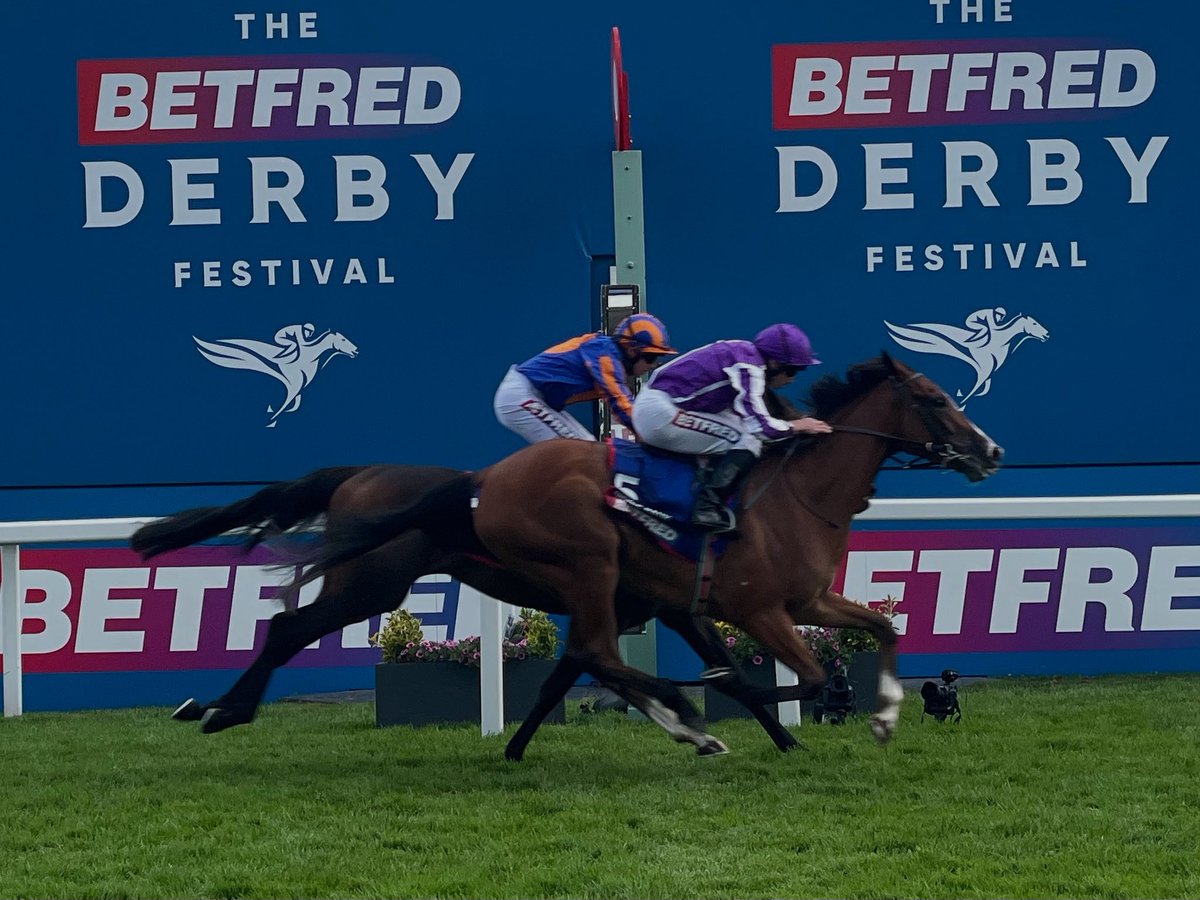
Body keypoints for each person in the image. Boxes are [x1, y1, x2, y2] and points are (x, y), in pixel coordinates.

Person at [631, 322, 832, 531]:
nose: (792, 379)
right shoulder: (750, 368)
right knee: (749, 439)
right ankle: (707, 507)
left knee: (740, 427)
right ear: (773, 363)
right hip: (660, 413)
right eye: (792, 371)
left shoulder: (743, 351)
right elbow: (762, 428)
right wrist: (797, 426)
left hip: (661, 404)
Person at [494, 313, 678, 443]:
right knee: (576, 453)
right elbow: (621, 402)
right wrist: (651, 436)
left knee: (589, 446)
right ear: (632, 350)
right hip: (521, 396)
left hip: (534, 397)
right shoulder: (605, 355)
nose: (653, 365)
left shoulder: (608, 354)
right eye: (651, 357)